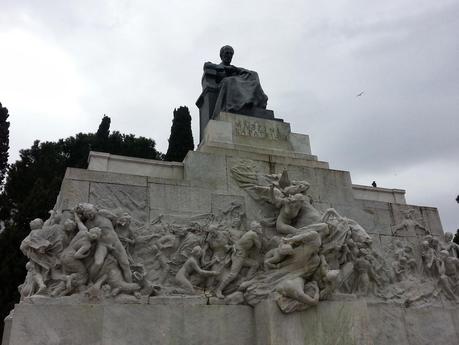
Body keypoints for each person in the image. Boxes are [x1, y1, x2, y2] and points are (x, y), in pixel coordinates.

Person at [204, 45, 269, 118]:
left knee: (253, 75)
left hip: (237, 84)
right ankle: (233, 106)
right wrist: (223, 68)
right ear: (221, 55)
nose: (229, 55)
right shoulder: (218, 66)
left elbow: (250, 73)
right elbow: (206, 65)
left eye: (231, 54)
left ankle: (250, 102)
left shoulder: (233, 68)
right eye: (227, 53)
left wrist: (236, 69)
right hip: (224, 85)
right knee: (229, 80)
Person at [216, 221, 262, 298]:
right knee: (233, 274)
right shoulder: (253, 234)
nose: (261, 228)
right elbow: (259, 246)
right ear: (255, 228)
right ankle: (219, 290)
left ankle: (246, 280)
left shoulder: (250, 233)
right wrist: (260, 236)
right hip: (239, 256)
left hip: (242, 255)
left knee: (255, 264)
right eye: (260, 227)